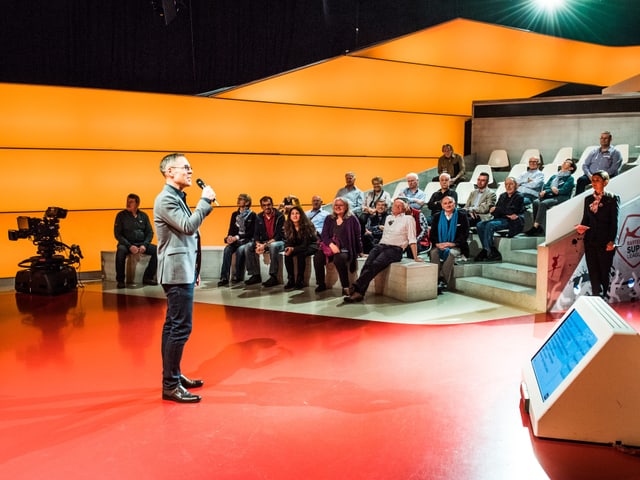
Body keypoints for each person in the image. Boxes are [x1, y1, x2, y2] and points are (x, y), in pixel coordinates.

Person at [154, 153, 215, 403]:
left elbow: (187, 237)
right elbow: (189, 227)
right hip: (176, 272)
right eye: (185, 167)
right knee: (180, 328)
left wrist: (195, 269)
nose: (190, 172)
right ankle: (170, 385)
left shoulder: (176, 197)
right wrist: (205, 202)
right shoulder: (166, 199)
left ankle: (174, 375)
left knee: (173, 326)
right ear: (170, 172)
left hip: (183, 269)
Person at [344, 198, 423, 303]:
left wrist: (415, 257)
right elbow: (385, 235)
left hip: (395, 249)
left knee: (376, 264)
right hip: (381, 246)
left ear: (404, 208)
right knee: (367, 264)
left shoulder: (408, 219)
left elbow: (412, 238)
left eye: (400, 206)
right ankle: (359, 293)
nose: (397, 207)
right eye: (395, 205)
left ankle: (355, 287)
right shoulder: (389, 217)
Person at [575, 171, 619, 299]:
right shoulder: (588, 199)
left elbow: (615, 222)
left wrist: (612, 241)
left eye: (597, 180)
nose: (594, 183)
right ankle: (596, 298)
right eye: (593, 180)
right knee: (593, 273)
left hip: (605, 242)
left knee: (604, 272)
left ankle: (604, 299)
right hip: (590, 241)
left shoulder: (612, 198)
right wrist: (580, 229)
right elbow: (585, 220)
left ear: (605, 182)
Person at [314, 197, 362, 295]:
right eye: (336, 205)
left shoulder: (352, 219)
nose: (338, 207)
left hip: (345, 249)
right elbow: (324, 235)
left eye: (341, 205)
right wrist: (331, 245)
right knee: (317, 257)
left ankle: (345, 286)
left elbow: (358, 236)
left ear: (346, 207)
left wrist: (360, 251)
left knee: (338, 259)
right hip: (330, 247)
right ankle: (321, 284)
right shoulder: (329, 218)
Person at [475, 177, 525, 262]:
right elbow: (494, 212)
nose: (508, 186)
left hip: (511, 221)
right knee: (479, 225)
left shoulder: (519, 196)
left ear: (516, 186)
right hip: (500, 218)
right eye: (506, 184)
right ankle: (490, 250)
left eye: (511, 184)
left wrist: (499, 210)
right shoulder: (502, 196)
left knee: (490, 225)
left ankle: (486, 250)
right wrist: (501, 211)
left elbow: (511, 211)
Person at [114, 193, 158, 288]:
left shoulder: (143, 216)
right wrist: (129, 246)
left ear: (137, 204)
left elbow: (150, 232)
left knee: (158, 250)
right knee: (120, 251)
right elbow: (117, 234)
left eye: (131, 202)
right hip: (126, 244)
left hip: (141, 243)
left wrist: (145, 245)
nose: (128, 204)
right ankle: (120, 280)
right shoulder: (121, 215)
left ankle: (147, 277)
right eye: (127, 201)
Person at [525, 159, 576, 237]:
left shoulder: (570, 178)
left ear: (571, 168)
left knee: (543, 203)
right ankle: (538, 227)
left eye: (567, 162)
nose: (564, 162)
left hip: (562, 197)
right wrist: (548, 191)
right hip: (551, 195)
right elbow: (546, 186)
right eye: (564, 161)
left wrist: (552, 190)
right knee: (535, 202)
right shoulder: (554, 176)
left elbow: (564, 190)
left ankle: (535, 227)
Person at [429, 196, 469, 293]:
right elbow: (433, 234)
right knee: (434, 253)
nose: (448, 205)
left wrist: (452, 243)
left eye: (450, 202)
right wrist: (438, 244)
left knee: (451, 253)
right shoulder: (437, 216)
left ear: (454, 204)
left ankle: (442, 280)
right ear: (442, 206)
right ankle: (435, 280)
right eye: (445, 203)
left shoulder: (462, 216)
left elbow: (465, 234)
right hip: (440, 245)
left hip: (456, 245)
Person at [245, 196, 285, 287]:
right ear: (261, 207)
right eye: (264, 205)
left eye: (269, 205)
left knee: (274, 246)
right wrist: (258, 243)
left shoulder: (280, 216)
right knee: (248, 246)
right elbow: (255, 234)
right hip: (265, 241)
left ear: (272, 205)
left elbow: (279, 235)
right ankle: (255, 275)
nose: (267, 207)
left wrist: (265, 245)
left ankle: (273, 276)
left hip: (279, 241)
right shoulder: (258, 217)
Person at [218, 193, 256, 286]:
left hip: (246, 240)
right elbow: (231, 230)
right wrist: (229, 237)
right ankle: (224, 277)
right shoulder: (234, 214)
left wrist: (237, 237)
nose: (238, 201)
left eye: (241, 199)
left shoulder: (252, 215)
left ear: (247, 202)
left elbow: (251, 233)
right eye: (238, 198)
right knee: (227, 249)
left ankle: (238, 276)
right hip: (236, 240)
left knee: (240, 250)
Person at [283, 206, 318, 290]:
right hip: (299, 246)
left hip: (311, 245)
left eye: (297, 213)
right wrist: (288, 248)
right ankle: (291, 280)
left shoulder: (307, 225)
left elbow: (305, 245)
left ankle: (300, 280)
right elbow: (288, 241)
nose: (295, 216)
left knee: (301, 254)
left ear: (301, 215)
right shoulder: (289, 225)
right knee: (287, 254)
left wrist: (293, 249)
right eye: (292, 214)